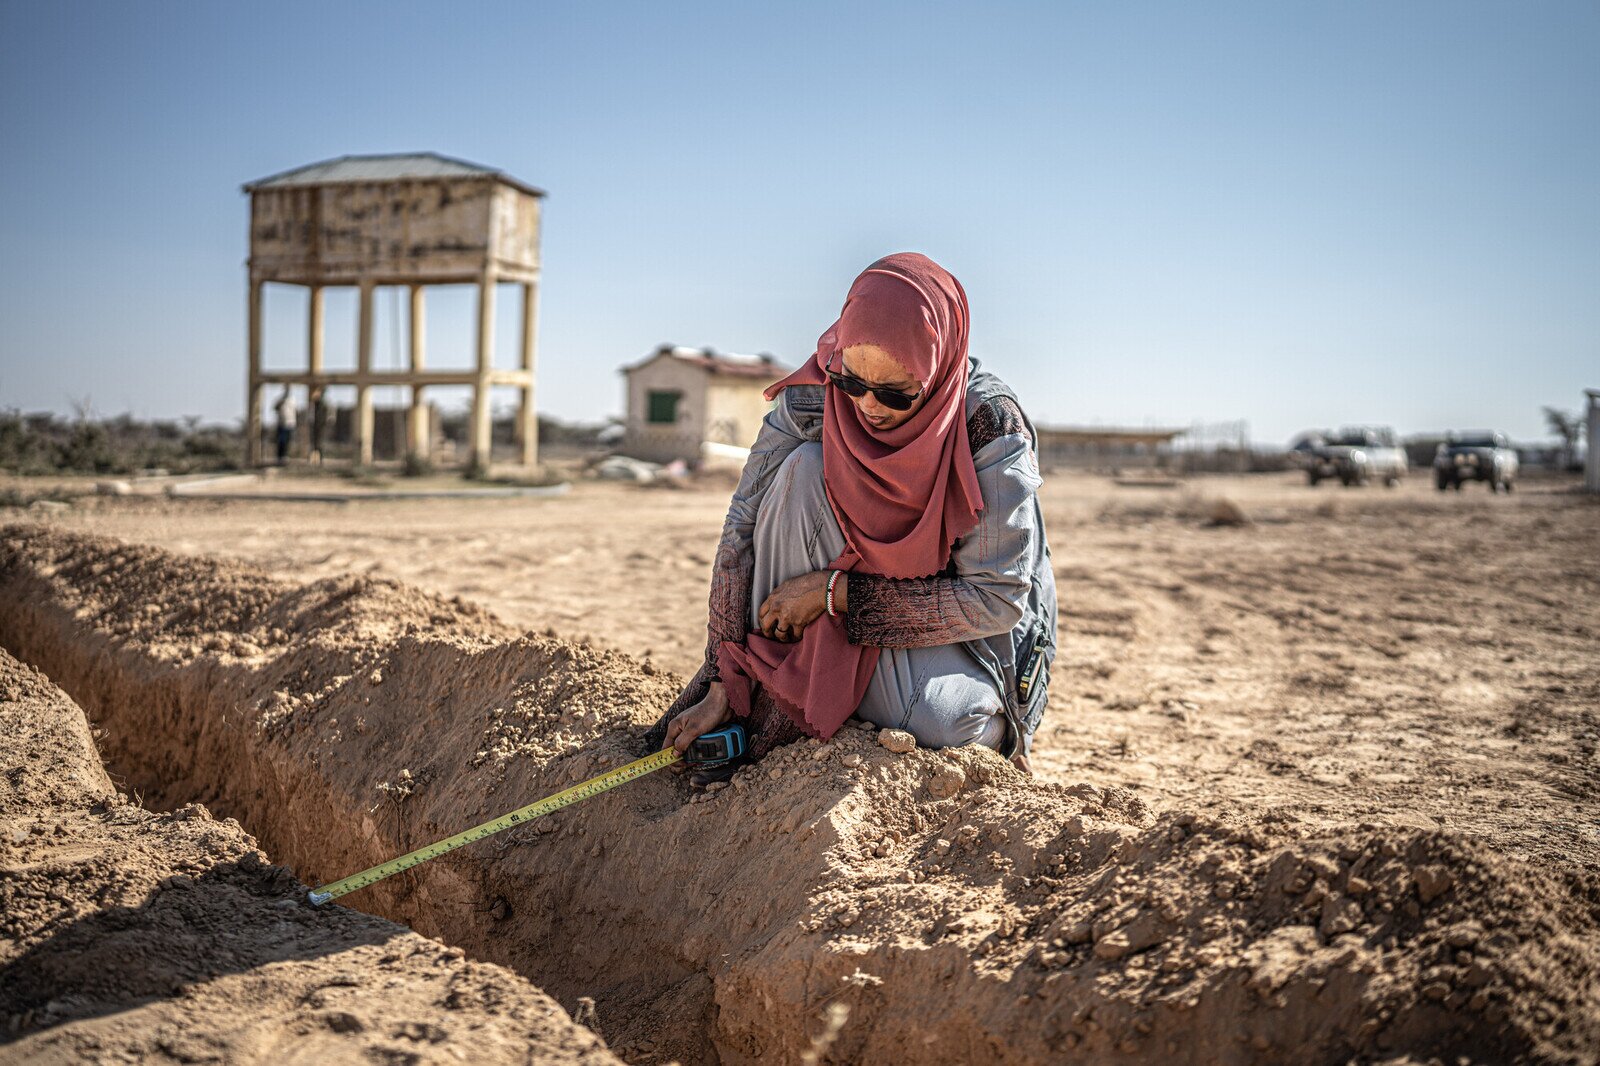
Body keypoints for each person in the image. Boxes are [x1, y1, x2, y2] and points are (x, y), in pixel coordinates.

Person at [644, 253, 1056, 780]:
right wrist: (727, 679)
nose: (868, 407)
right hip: (842, 605)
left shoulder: (987, 425)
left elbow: (995, 600)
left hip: (953, 631)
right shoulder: (818, 396)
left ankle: (971, 720)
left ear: (940, 370)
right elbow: (742, 529)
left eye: (895, 393)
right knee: (801, 468)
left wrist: (836, 594)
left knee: (939, 723)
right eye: (853, 383)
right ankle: (775, 691)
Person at [273, 387, 296, 465]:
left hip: (290, 423)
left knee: (287, 441)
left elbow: (294, 411)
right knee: (281, 441)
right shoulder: (280, 400)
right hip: (282, 423)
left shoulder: (292, 400)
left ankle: (285, 456)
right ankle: (280, 457)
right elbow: (275, 408)